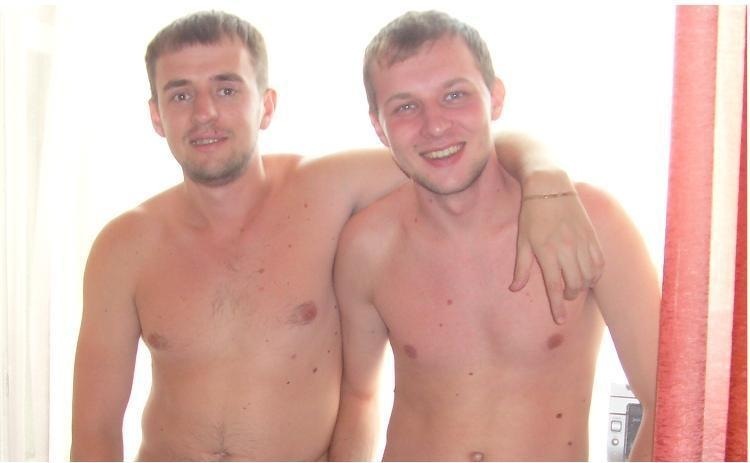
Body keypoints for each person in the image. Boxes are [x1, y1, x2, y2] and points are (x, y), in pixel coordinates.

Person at [70, 10, 604, 462]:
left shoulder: (328, 190)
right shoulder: (124, 246)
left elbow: (456, 150)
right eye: (180, 94)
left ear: (266, 105)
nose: (205, 112)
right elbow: (94, 430)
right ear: (156, 116)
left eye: (227, 89)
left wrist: (545, 177)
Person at [329, 10, 659, 462]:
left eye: (455, 95)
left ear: (495, 97)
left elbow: (667, 396)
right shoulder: (367, 247)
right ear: (377, 126)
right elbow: (359, 398)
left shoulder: (591, 222)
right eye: (405, 107)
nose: (435, 125)